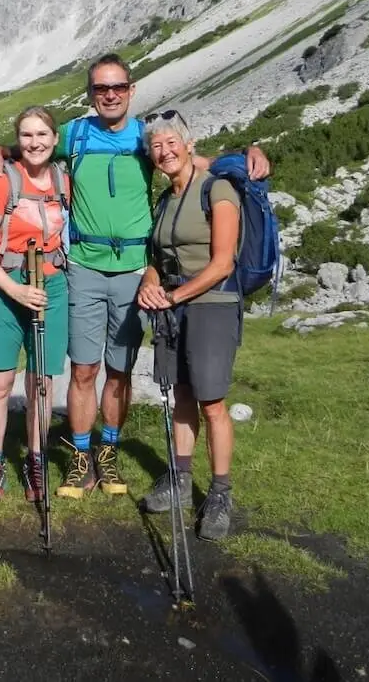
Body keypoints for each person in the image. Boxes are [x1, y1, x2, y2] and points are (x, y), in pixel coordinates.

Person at [0, 53, 269, 501]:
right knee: (83, 369)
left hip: (134, 270)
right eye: (100, 89)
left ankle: (108, 452)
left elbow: (193, 162)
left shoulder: (145, 139)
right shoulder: (73, 134)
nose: (109, 95)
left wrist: (247, 155)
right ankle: (80, 460)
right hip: (84, 268)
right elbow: (28, 149)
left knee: (120, 370)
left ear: (131, 91)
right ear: (91, 94)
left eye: (117, 87)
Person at [136, 108, 241, 541]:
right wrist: (149, 281)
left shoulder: (218, 190)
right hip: (173, 304)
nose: (164, 152)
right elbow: (158, 260)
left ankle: (219, 493)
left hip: (212, 304)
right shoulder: (165, 201)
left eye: (170, 143)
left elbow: (221, 264)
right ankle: (179, 481)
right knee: (180, 395)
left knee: (211, 401)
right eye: (156, 147)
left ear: (189, 144)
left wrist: (174, 296)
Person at [0, 106, 70, 502]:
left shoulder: (63, 179)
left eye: (42, 134)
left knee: (42, 382)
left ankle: (36, 460)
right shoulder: (3, 182)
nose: (35, 142)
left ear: (55, 138)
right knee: (0, 381)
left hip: (52, 287)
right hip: (5, 287)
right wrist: (14, 291)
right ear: (18, 139)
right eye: (26, 135)